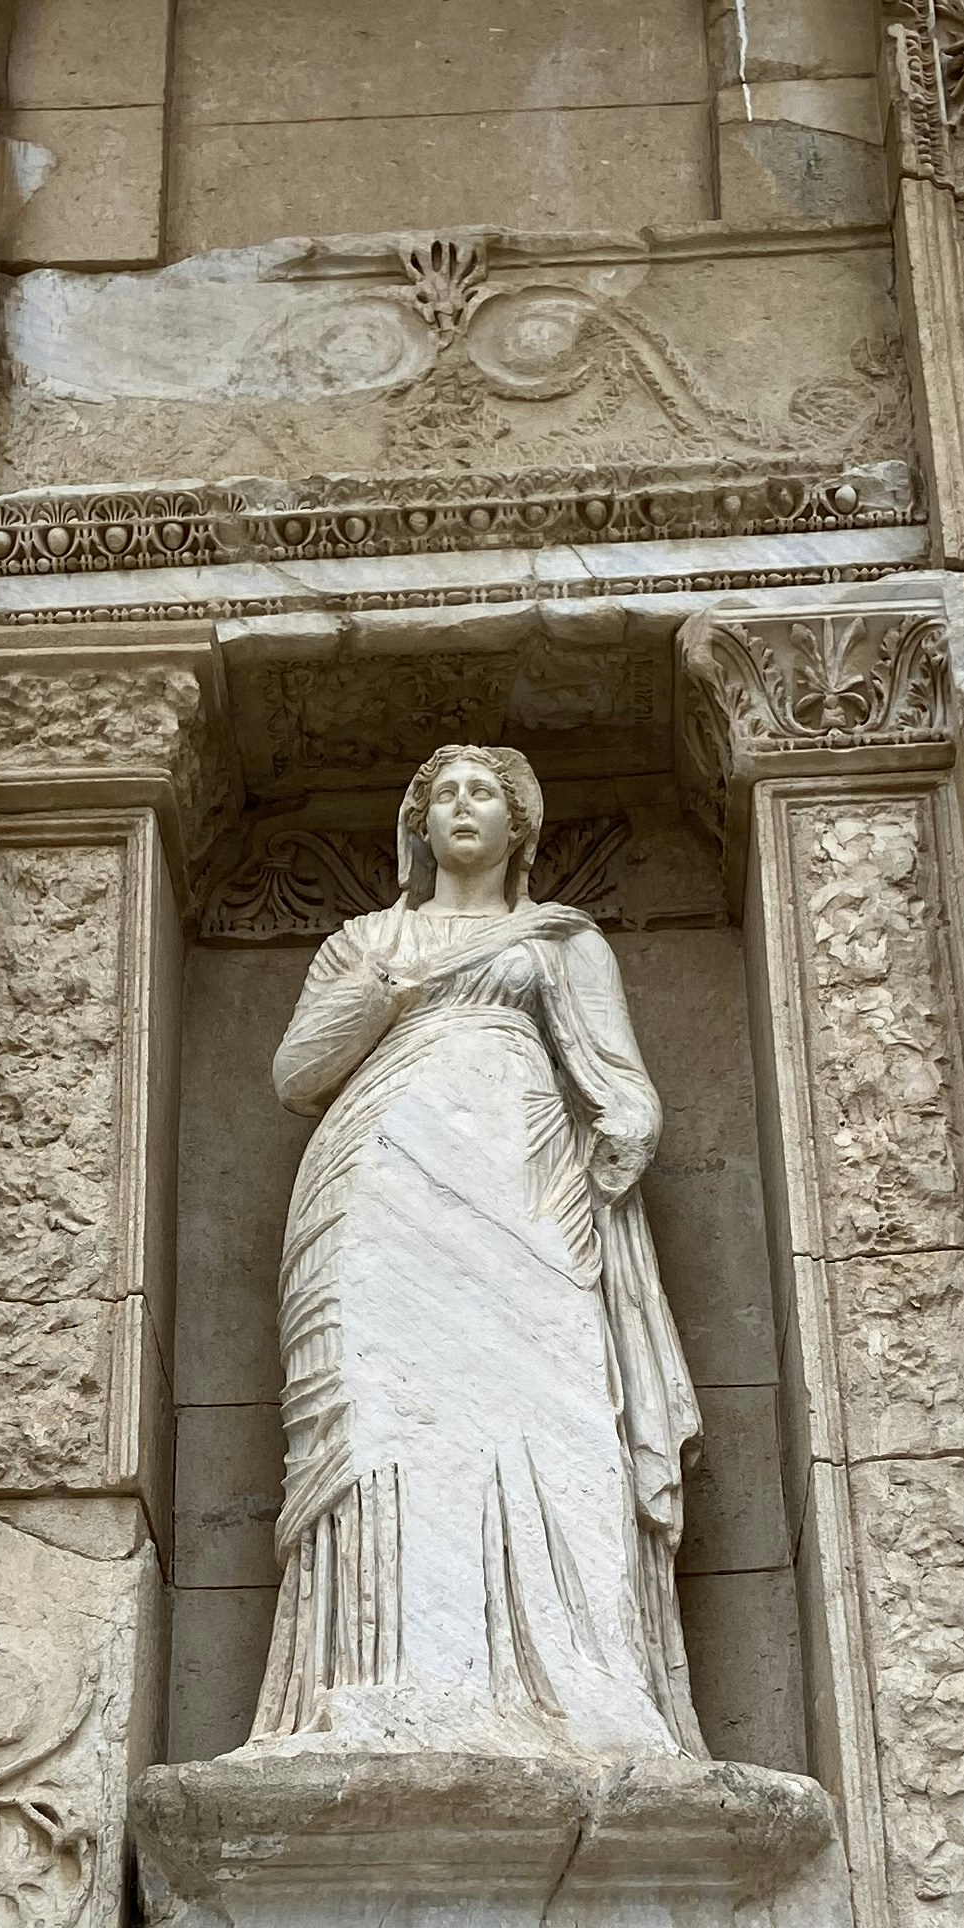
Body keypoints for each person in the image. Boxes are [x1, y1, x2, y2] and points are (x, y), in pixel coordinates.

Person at [246, 739, 705, 1760]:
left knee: (555, 1410)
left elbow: (619, 1079)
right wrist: (381, 994)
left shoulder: (556, 943)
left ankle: (584, 1685)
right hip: (376, 1185)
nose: (461, 806)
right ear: (418, 823)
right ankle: (376, 1683)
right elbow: (296, 1072)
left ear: (519, 824)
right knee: (381, 1417)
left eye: (483, 793)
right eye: (442, 793)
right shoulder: (367, 941)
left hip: (524, 1182)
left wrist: (628, 1129)